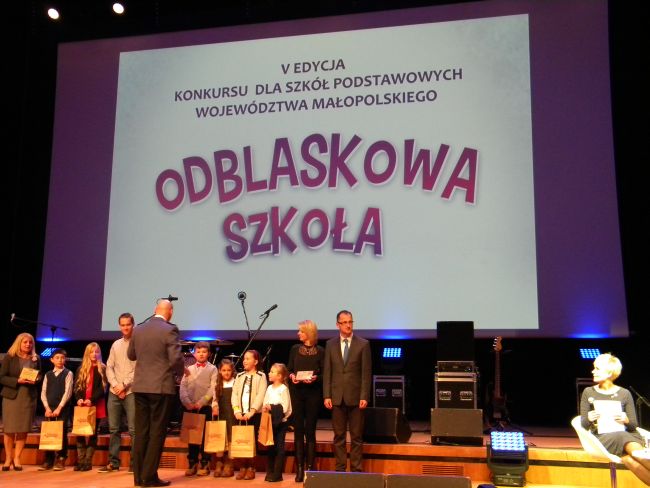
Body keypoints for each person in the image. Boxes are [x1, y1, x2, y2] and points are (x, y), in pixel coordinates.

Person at [127, 299, 185, 487]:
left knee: (141, 432)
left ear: (155, 309)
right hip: (160, 387)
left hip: (140, 386)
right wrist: (181, 372)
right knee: (157, 432)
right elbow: (176, 359)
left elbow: (131, 355)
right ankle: (149, 477)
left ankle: (139, 477)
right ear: (171, 311)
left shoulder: (139, 329)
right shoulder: (170, 329)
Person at [580, 353, 650, 485]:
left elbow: (633, 425)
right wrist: (588, 418)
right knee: (622, 437)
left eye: (597, 368)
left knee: (628, 459)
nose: (592, 371)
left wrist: (626, 420)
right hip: (603, 438)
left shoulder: (624, 393)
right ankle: (641, 453)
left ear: (609, 372)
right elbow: (583, 425)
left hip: (627, 436)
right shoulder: (588, 392)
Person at [323, 310, 372, 472]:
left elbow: (366, 373)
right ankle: (340, 469)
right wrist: (327, 395)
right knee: (339, 436)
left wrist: (364, 396)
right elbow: (328, 372)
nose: (348, 325)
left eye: (350, 321)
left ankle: (356, 470)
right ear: (338, 325)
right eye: (344, 322)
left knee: (356, 436)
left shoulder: (363, 344)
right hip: (337, 397)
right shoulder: (330, 344)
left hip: (356, 398)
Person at [99, 312, 137, 473]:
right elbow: (109, 367)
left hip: (131, 391)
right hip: (115, 392)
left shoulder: (138, 344)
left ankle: (134, 464)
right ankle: (113, 463)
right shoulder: (116, 344)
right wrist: (115, 385)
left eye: (128, 324)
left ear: (133, 325)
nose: (125, 327)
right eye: (122, 325)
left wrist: (124, 385)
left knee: (134, 430)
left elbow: (138, 369)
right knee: (114, 429)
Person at [287, 319, 325, 481]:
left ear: (309, 333)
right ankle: (299, 469)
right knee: (298, 431)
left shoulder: (321, 351)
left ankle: (310, 468)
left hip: (313, 394)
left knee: (310, 431)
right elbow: (289, 369)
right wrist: (292, 376)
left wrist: (315, 378)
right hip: (297, 393)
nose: (298, 333)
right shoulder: (295, 349)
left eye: (301, 331)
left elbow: (324, 374)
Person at [0, 332, 41, 471]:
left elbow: (40, 375)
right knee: (9, 429)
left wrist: (36, 379)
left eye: (30, 342)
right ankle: (8, 459)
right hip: (12, 396)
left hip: (28, 397)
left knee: (23, 429)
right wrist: (17, 380)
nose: (28, 344)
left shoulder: (36, 358)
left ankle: (17, 458)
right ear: (19, 343)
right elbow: (2, 377)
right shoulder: (9, 357)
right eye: (25, 342)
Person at [180, 341, 218, 476]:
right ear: (194, 354)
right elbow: (183, 387)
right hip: (190, 407)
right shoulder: (188, 369)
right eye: (198, 352)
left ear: (209, 354)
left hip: (205, 407)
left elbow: (213, 388)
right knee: (192, 437)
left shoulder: (213, 369)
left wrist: (201, 402)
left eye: (204, 352)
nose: (201, 354)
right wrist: (187, 402)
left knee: (205, 437)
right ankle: (192, 462)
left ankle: (205, 463)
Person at [232, 349, 267, 480]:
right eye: (244, 359)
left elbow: (261, 394)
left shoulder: (261, 376)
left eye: (248, 359)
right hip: (240, 414)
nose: (244, 361)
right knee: (241, 439)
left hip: (254, 414)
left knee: (251, 440)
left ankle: (251, 467)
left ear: (255, 362)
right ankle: (242, 467)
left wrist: (252, 411)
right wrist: (236, 410)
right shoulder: (239, 376)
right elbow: (234, 394)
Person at [73, 342, 108, 471]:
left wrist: (91, 400)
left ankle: (88, 461)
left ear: (99, 353)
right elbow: (77, 386)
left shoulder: (102, 368)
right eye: (91, 352)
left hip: (96, 404)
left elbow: (103, 388)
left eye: (96, 352)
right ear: (87, 354)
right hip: (82, 405)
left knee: (92, 433)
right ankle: (81, 460)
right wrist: (79, 398)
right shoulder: (81, 368)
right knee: (80, 433)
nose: (94, 354)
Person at [39, 347, 73, 471]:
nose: (60, 360)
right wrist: (47, 408)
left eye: (62, 358)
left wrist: (59, 408)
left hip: (62, 408)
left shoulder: (68, 373)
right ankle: (48, 459)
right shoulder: (48, 374)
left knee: (61, 432)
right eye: (57, 358)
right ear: (52, 360)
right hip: (50, 408)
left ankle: (61, 458)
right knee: (48, 432)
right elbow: (43, 392)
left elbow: (68, 392)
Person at [262, 363, 292, 482]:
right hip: (270, 421)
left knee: (279, 447)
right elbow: (265, 401)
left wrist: (272, 407)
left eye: (272, 372)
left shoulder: (283, 389)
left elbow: (285, 407)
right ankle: (270, 472)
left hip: (280, 422)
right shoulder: (269, 388)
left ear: (279, 376)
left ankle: (277, 474)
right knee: (270, 446)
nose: (269, 373)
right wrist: (265, 407)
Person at [211, 358, 236, 478]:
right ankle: (219, 462)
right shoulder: (217, 383)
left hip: (232, 414)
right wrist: (214, 406)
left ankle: (229, 464)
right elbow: (214, 398)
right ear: (220, 371)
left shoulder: (236, 382)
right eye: (224, 370)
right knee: (221, 437)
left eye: (229, 370)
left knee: (231, 438)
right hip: (221, 414)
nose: (226, 373)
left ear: (232, 371)